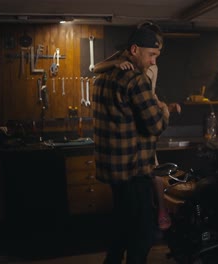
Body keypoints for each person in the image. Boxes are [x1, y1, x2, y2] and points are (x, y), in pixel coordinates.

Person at [93, 26, 169, 264]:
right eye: (151, 55)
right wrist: (164, 110)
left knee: (121, 230)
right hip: (134, 172)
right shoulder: (136, 80)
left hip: (114, 172)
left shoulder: (102, 78)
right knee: (143, 235)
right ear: (134, 50)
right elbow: (155, 125)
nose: (153, 61)